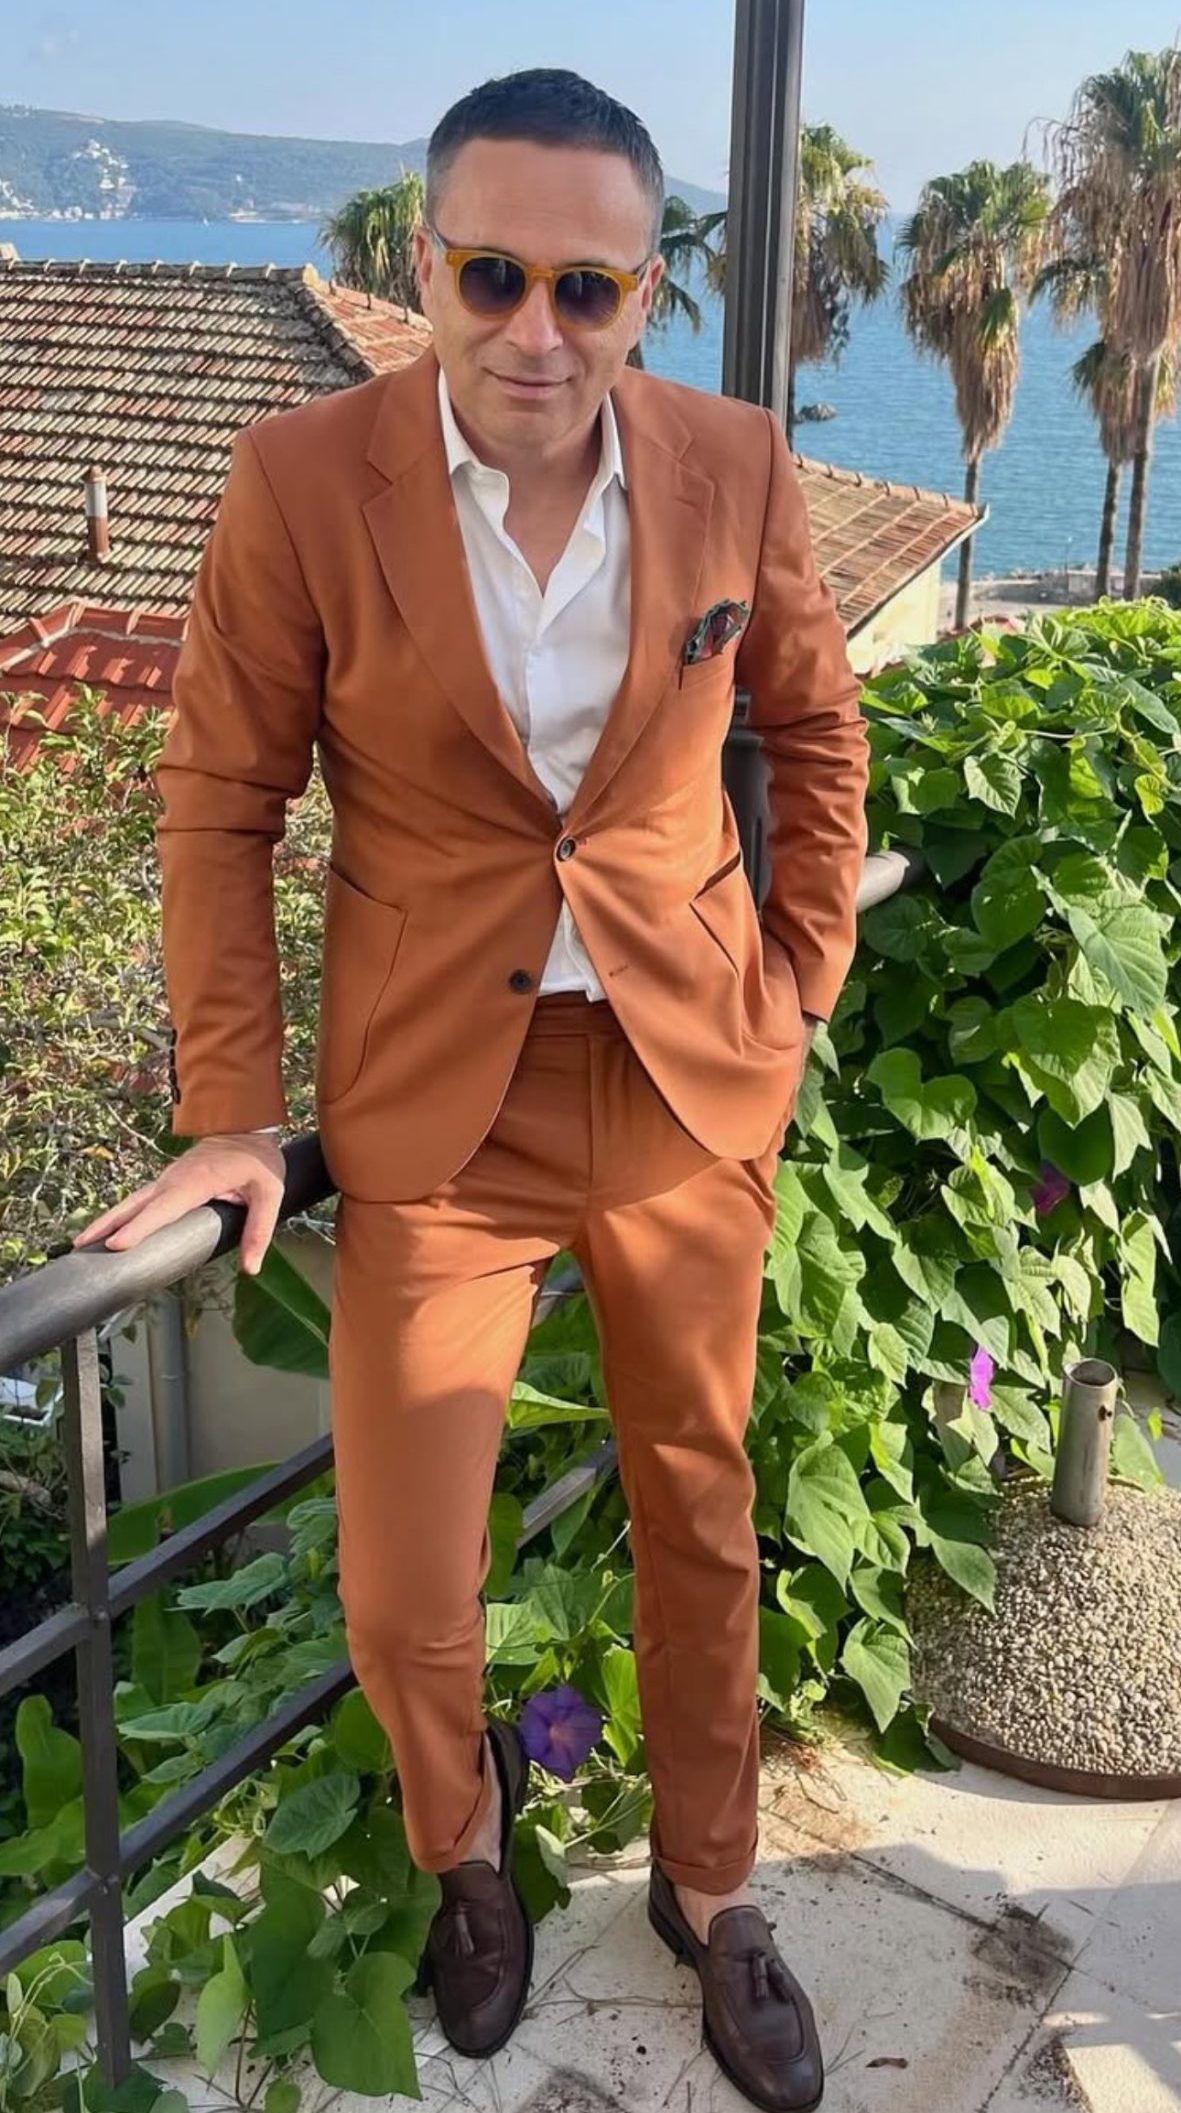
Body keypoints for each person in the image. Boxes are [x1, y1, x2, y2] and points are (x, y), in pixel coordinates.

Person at [75, 68, 869, 2113]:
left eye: (586, 287)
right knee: (406, 1578)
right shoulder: (301, 481)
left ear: (642, 296)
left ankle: (712, 1885)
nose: (536, 328)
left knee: (702, 1510)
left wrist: (796, 981)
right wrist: (234, 1105)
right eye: (492, 274)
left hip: (684, 1085)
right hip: (440, 1108)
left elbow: (813, 733)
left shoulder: (732, 466)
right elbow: (219, 798)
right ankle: (467, 1854)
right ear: (423, 264)